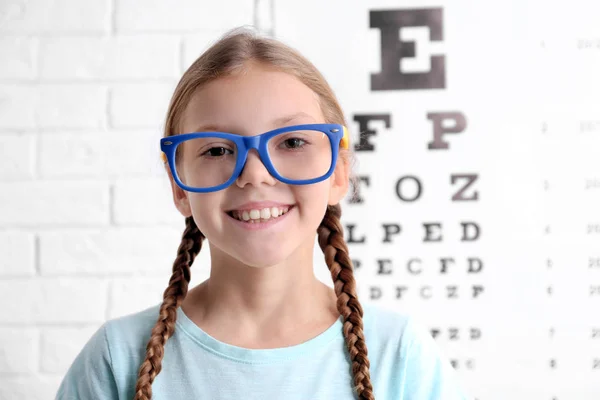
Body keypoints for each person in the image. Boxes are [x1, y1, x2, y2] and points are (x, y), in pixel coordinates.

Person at [55, 27, 471, 400]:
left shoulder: (399, 354)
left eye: (291, 142)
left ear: (339, 172)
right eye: (217, 149)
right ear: (178, 184)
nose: (254, 174)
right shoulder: (116, 359)